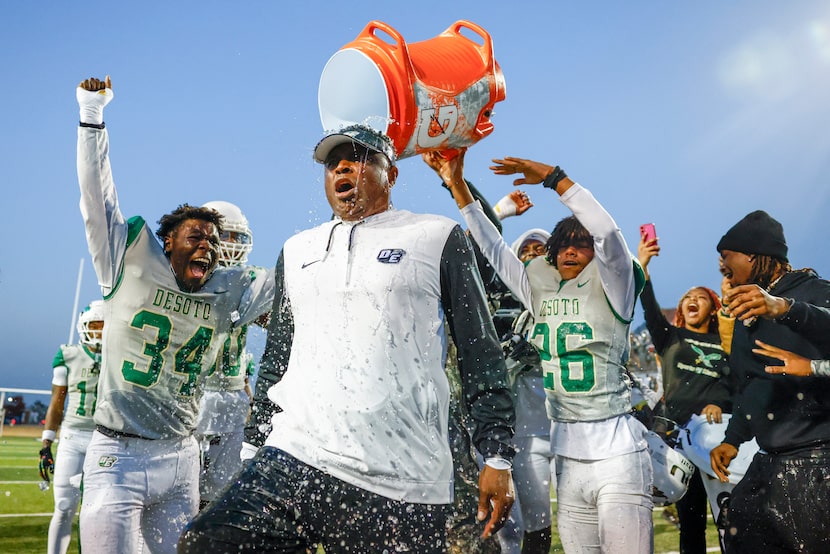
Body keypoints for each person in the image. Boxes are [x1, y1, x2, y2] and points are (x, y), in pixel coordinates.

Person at [179, 124, 516, 553]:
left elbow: (479, 351)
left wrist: (497, 454)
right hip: (295, 455)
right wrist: (254, 444)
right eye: (331, 163)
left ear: (390, 175)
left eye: (358, 158)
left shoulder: (435, 235)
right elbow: (279, 354)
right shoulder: (298, 248)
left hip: (400, 474)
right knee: (206, 543)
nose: (341, 166)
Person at [75, 76, 274, 554]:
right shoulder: (130, 261)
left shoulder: (230, 289)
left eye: (214, 240)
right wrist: (91, 116)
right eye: (196, 237)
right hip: (118, 454)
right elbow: (96, 200)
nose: (207, 245)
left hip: (182, 454)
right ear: (168, 242)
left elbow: (304, 273)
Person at [425, 150, 652, 553]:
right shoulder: (540, 291)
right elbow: (493, 247)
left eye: (580, 245)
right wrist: (457, 185)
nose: (569, 251)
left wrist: (554, 178)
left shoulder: (614, 286)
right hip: (567, 449)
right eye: (563, 245)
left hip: (616, 448)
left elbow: (608, 234)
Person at [709, 210, 830, 553]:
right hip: (770, 459)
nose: (721, 264)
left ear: (753, 254)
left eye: (726, 255)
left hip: (820, 458)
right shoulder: (749, 307)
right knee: (738, 536)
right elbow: (755, 381)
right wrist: (733, 440)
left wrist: (785, 308)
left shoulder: (814, 291)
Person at [638, 233, 731, 554]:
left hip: (717, 439)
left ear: (713, 309)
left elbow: (737, 384)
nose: (692, 299)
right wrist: (644, 265)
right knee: (690, 521)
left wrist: (720, 402)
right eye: (687, 297)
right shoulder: (670, 337)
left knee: (729, 518)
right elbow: (649, 307)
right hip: (678, 439)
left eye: (701, 297)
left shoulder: (725, 344)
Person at [194, 200, 260, 508]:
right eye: (227, 236)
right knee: (184, 494)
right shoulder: (191, 280)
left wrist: (248, 394)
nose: (232, 246)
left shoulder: (248, 280)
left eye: (237, 238)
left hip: (232, 399)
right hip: (196, 395)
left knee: (221, 499)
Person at [40, 300, 105, 554]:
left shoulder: (118, 356)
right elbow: (57, 402)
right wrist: (47, 442)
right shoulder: (68, 354)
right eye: (95, 326)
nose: (99, 332)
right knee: (64, 507)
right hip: (73, 437)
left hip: (104, 439)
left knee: (98, 510)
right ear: (84, 327)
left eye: (103, 326)